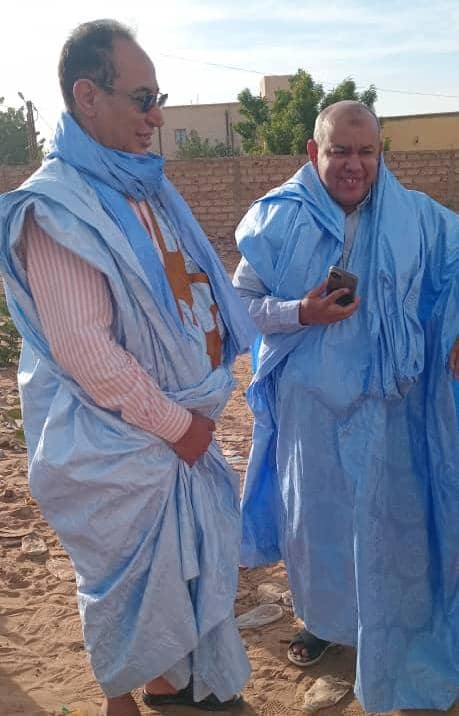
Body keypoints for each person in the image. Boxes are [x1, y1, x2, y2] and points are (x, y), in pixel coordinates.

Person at [0, 19, 255, 716]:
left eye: (157, 98)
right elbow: (87, 352)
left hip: (172, 430)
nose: (156, 116)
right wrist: (179, 427)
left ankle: (164, 689)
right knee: (135, 587)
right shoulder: (59, 208)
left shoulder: (142, 188)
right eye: (143, 99)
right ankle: (156, 695)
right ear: (87, 96)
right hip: (121, 444)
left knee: (176, 584)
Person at [233, 100, 459, 712]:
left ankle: (387, 625)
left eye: (366, 152)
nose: (353, 164)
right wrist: (299, 312)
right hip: (312, 407)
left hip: (390, 407)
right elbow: (241, 302)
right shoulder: (278, 220)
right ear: (314, 153)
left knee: (387, 521)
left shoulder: (416, 217)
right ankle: (324, 623)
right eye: (340, 151)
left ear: (381, 155)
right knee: (318, 524)